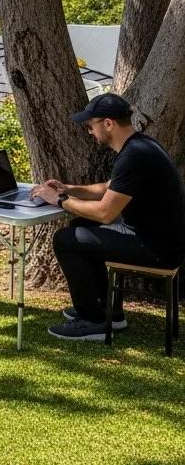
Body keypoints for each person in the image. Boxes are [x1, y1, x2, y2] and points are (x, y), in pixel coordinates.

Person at [31, 93, 185, 341]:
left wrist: (59, 200)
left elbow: (105, 213)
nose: (89, 131)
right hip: (159, 239)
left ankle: (92, 321)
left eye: (90, 125)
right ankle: (109, 313)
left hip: (157, 249)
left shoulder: (134, 156)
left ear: (108, 124)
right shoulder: (142, 145)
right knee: (81, 226)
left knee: (66, 240)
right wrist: (68, 189)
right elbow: (107, 188)